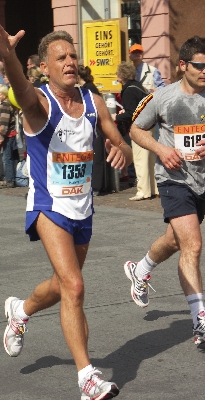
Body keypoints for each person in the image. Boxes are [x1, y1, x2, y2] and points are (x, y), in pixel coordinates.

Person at [0, 24, 132, 399]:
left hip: (82, 208)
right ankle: (87, 377)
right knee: (74, 285)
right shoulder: (38, 102)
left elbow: (118, 141)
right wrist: (8, 57)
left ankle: (20, 311)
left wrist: (122, 151)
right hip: (48, 206)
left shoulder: (93, 101)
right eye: (61, 58)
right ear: (45, 68)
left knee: (61, 284)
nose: (70, 62)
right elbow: (20, 88)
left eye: (72, 56)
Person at [124, 36, 205, 349]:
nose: (204, 71)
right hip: (174, 180)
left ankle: (141, 270)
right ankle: (200, 321)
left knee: (176, 240)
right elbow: (135, 128)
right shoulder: (163, 97)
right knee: (193, 245)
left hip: (202, 179)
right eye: (199, 65)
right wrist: (161, 149)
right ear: (183, 66)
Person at [112, 62, 159, 200]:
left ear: (121, 76)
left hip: (139, 128)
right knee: (150, 160)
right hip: (149, 126)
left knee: (140, 160)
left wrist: (117, 116)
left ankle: (143, 191)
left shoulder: (128, 90)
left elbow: (132, 113)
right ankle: (154, 189)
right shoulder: (139, 87)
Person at [77, 65, 104, 197]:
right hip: (90, 125)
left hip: (94, 126)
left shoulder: (88, 89)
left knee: (96, 156)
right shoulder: (86, 88)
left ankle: (96, 186)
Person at [0, 83, 19, 188]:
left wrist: (2, 135)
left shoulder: (4, 105)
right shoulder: (10, 103)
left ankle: (9, 180)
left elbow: (4, 122)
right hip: (12, 133)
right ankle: (14, 178)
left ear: (4, 94)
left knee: (6, 158)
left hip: (7, 135)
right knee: (13, 157)